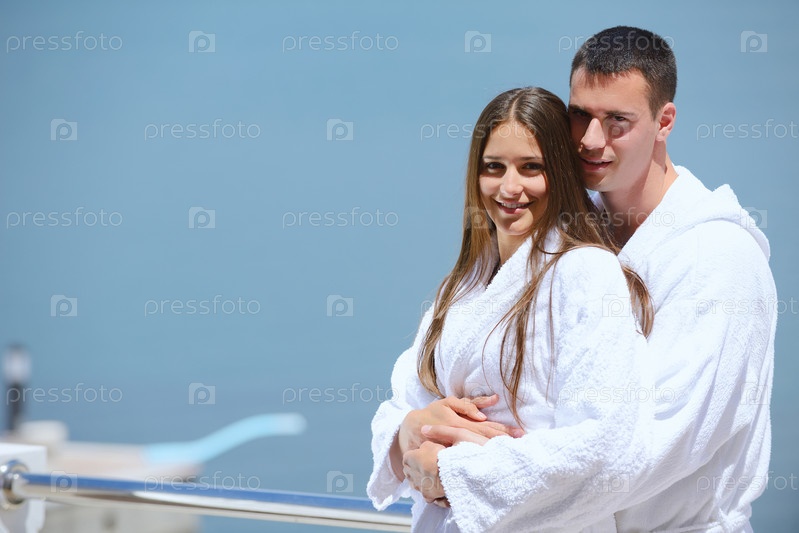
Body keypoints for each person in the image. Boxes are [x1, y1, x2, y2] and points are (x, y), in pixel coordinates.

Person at [377, 26, 777, 532]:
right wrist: (410, 432)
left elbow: (652, 445)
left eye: (617, 121)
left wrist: (461, 472)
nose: (590, 140)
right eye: (580, 115)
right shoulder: (557, 236)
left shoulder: (717, 257)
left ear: (664, 121)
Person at [368, 86, 654, 531]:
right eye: (494, 167)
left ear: (560, 172)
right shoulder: (462, 286)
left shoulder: (586, 274)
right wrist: (410, 429)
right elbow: (402, 402)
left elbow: (604, 446)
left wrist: (455, 471)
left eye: (531, 167)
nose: (509, 187)